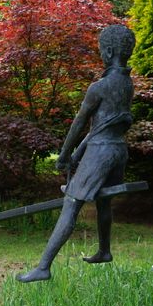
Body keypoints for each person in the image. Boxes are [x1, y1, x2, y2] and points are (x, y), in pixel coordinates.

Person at [17, 25, 136, 283]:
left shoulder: (99, 87)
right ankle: (104, 251)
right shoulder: (127, 84)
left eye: (101, 50)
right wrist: (76, 154)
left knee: (70, 205)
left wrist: (64, 154)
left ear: (109, 51)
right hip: (118, 150)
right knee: (104, 200)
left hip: (101, 153)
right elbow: (101, 129)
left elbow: (80, 123)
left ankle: (43, 267)